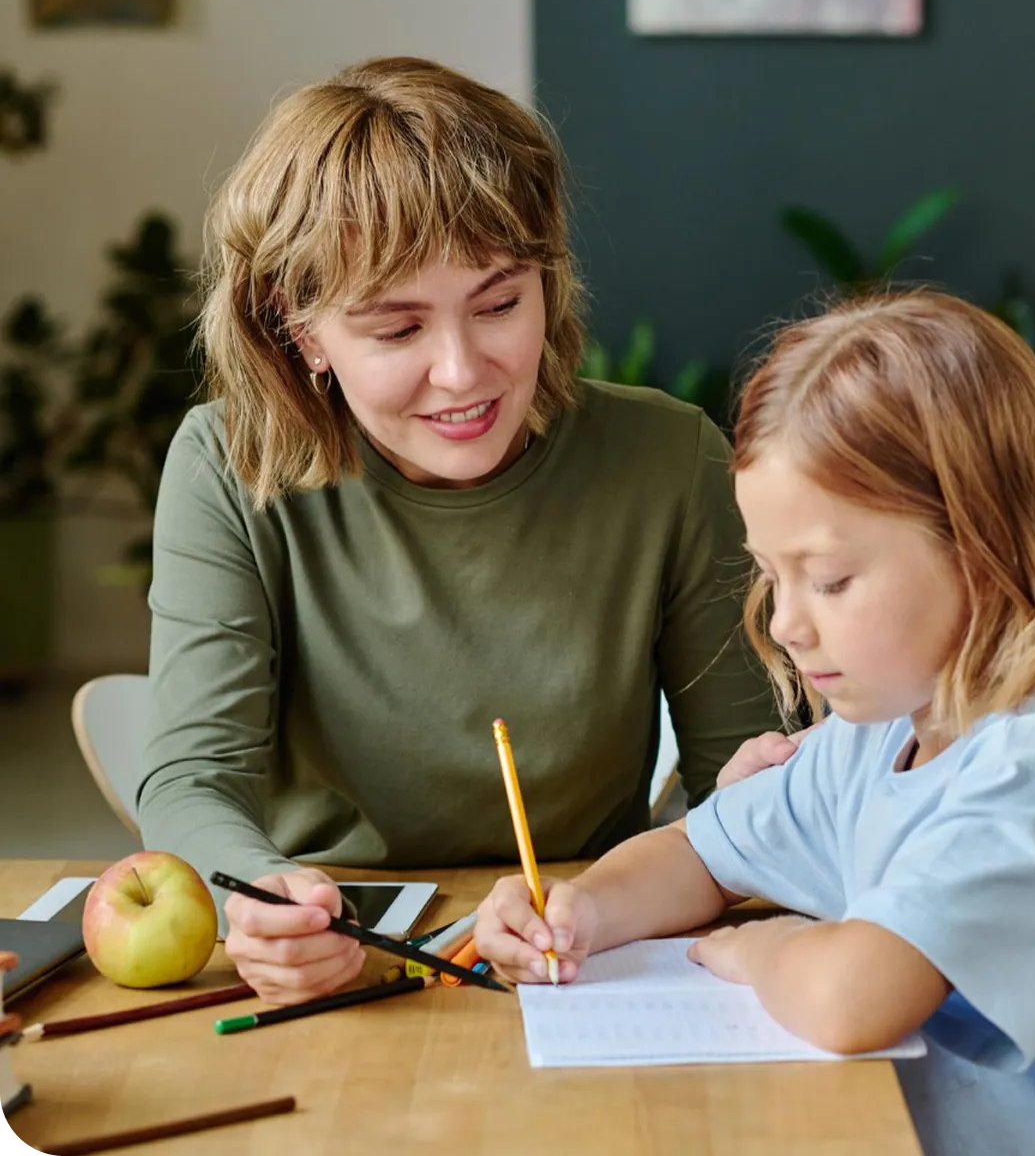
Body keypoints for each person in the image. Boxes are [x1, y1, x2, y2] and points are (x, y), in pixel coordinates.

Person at [137, 56, 802, 1006]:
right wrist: (263, 898)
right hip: (342, 950)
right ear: (301, 329)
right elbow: (193, 777)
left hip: (583, 949)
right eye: (397, 330)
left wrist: (697, 846)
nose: (463, 372)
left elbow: (741, 798)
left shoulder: (669, 461)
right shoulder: (227, 465)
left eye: (499, 305)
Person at [476, 289, 1035, 1156]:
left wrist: (761, 950)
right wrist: (580, 912)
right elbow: (697, 855)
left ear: (983, 549)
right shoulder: (878, 735)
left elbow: (851, 1001)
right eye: (771, 577)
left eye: (829, 579)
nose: (785, 623)